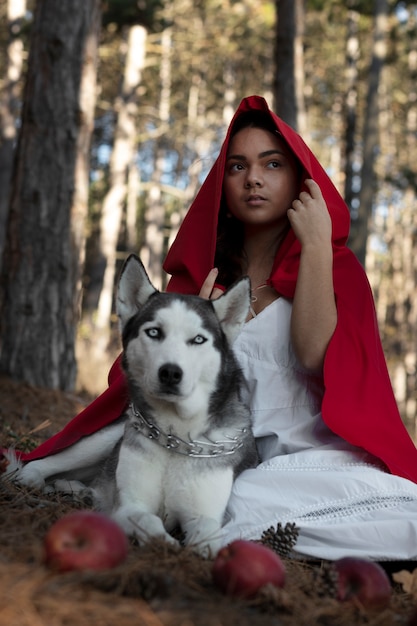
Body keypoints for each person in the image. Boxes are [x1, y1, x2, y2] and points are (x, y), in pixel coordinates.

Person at [8, 95, 417, 563]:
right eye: (238, 167)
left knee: (399, 517)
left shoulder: (334, 269)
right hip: (218, 456)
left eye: (272, 164)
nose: (254, 179)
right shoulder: (201, 282)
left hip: (309, 457)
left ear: (299, 179)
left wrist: (318, 245)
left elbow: (311, 354)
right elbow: (148, 383)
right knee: (231, 503)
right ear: (223, 183)